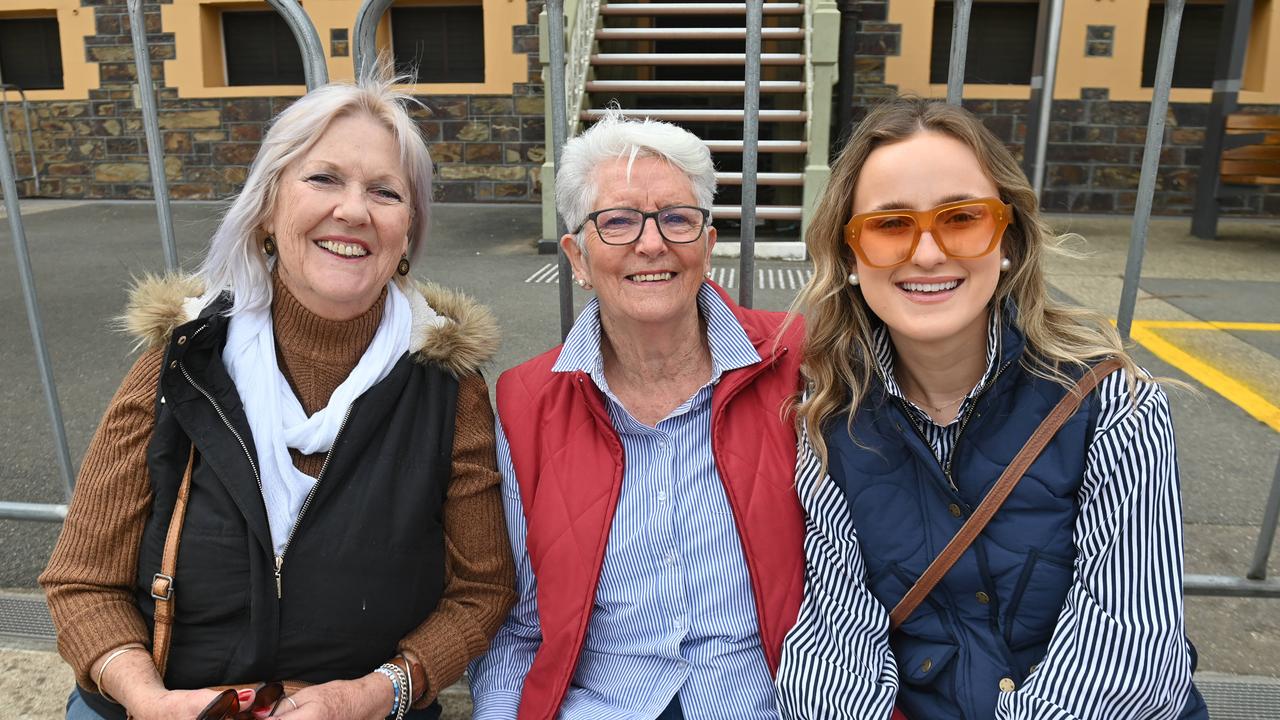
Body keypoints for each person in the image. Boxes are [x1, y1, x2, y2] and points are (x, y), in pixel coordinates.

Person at [39, 74, 515, 720]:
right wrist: (149, 699)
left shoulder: (446, 385)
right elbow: (82, 579)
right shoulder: (182, 361)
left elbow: (480, 592)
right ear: (268, 208)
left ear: (408, 232)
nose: (354, 210)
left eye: (385, 191)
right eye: (323, 179)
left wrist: (375, 695)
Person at [774, 96, 1208, 720]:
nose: (926, 255)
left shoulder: (1114, 406)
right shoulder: (829, 423)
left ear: (1006, 239)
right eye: (890, 225)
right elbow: (836, 647)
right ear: (848, 258)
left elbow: (1133, 657)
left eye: (961, 218)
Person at [467, 112, 806, 719]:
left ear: (707, 241)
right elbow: (517, 621)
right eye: (617, 221)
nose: (652, 243)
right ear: (576, 255)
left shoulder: (796, 363)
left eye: (677, 218)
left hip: (769, 702)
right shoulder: (526, 400)